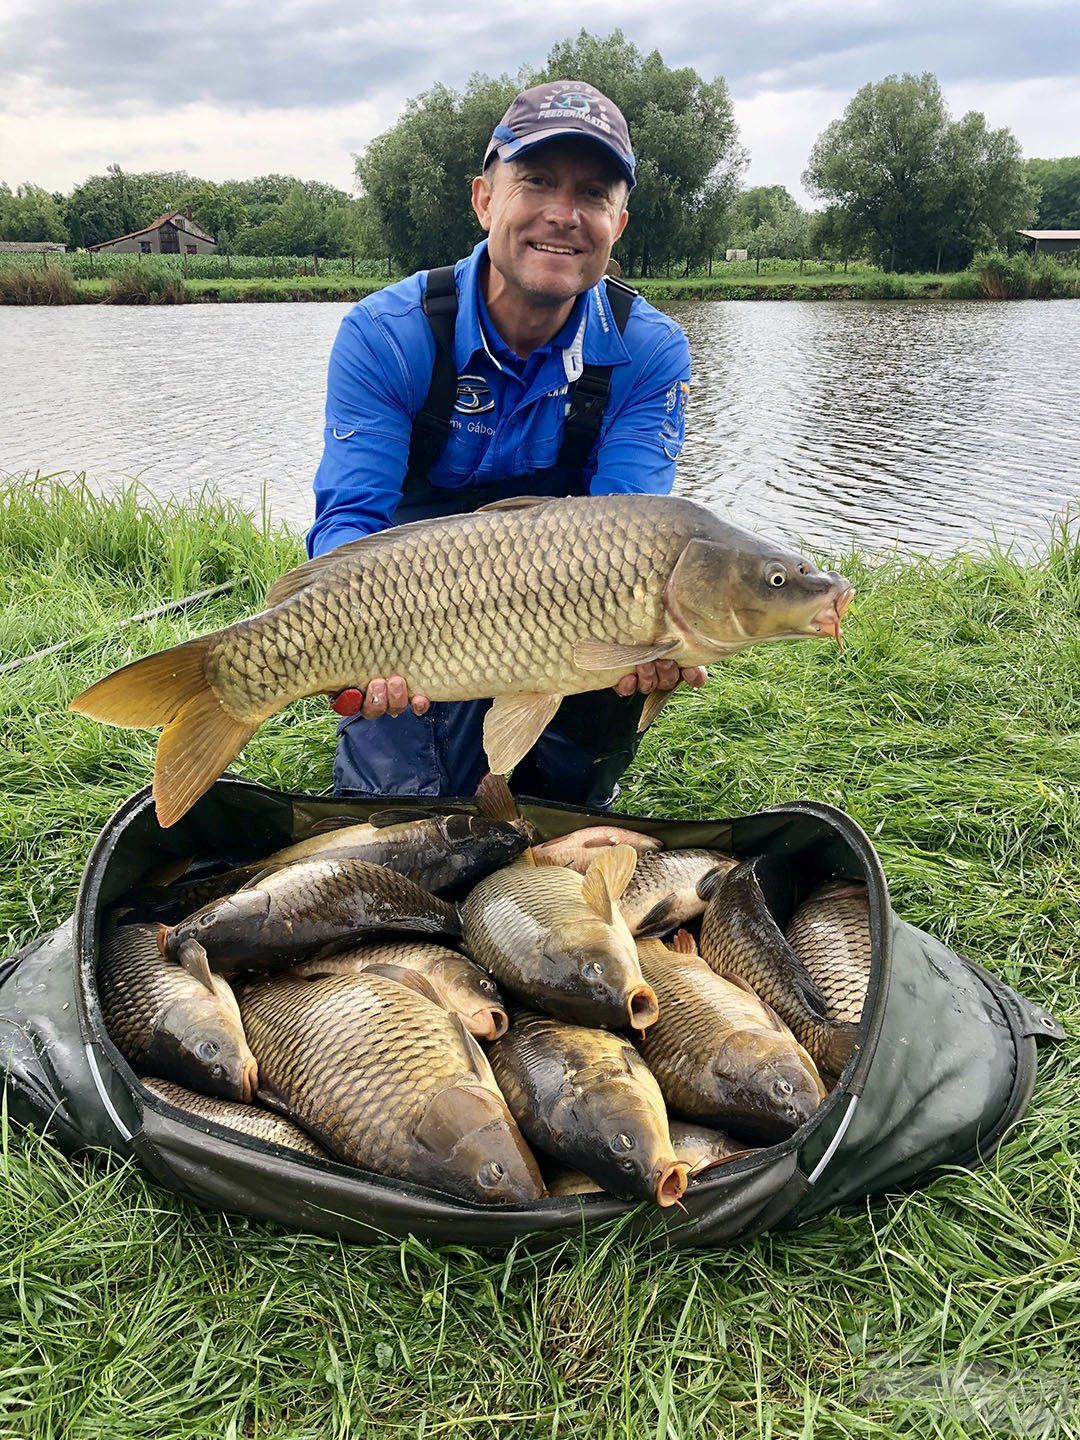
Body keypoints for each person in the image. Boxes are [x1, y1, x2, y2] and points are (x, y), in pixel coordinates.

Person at [308, 80, 704, 806]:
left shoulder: (650, 351)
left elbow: (634, 539)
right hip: (412, 604)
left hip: (573, 605)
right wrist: (349, 640)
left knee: (562, 805)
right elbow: (350, 517)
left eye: (593, 193)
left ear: (619, 219)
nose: (564, 214)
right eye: (538, 181)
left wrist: (654, 640)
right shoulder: (387, 333)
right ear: (485, 199)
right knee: (404, 812)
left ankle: (559, 799)